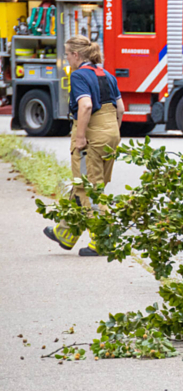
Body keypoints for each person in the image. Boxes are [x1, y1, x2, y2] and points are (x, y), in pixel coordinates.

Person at [44, 36, 124, 256]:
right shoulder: (107, 74)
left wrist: (81, 137)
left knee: (90, 188)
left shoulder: (79, 75)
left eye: (67, 54)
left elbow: (86, 105)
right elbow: (121, 109)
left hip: (92, 136)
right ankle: (65, 232)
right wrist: (112, 133)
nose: (66, 58)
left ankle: (104, 241)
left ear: (76, 55)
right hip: (110, 135)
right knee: (87, 184)